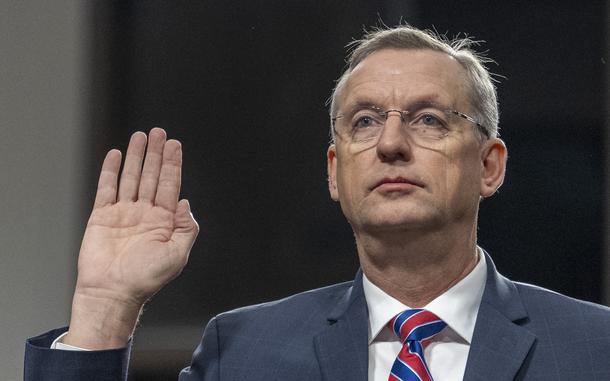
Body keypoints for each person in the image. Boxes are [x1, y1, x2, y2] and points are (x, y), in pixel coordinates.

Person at [25, 25, 610, 381]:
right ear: (336, 173)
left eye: (428, 119)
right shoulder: (245, 354)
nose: (390, 143)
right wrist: (105, 308)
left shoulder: (594, 349)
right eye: (364, 122)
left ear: (490, 165)